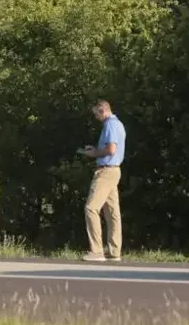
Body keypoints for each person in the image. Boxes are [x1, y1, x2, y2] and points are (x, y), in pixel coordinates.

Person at [79, 98, 126, 262]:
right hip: (114, 170)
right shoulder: (118, 124)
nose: (96, 118)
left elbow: (111, 149)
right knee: (112, 212)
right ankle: (114, 251)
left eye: (96, 114)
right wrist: (96, 149)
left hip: (105, 171)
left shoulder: (110, 125)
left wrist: (94, 154)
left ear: (102, 110)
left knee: (91, 208)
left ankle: (97, 251)